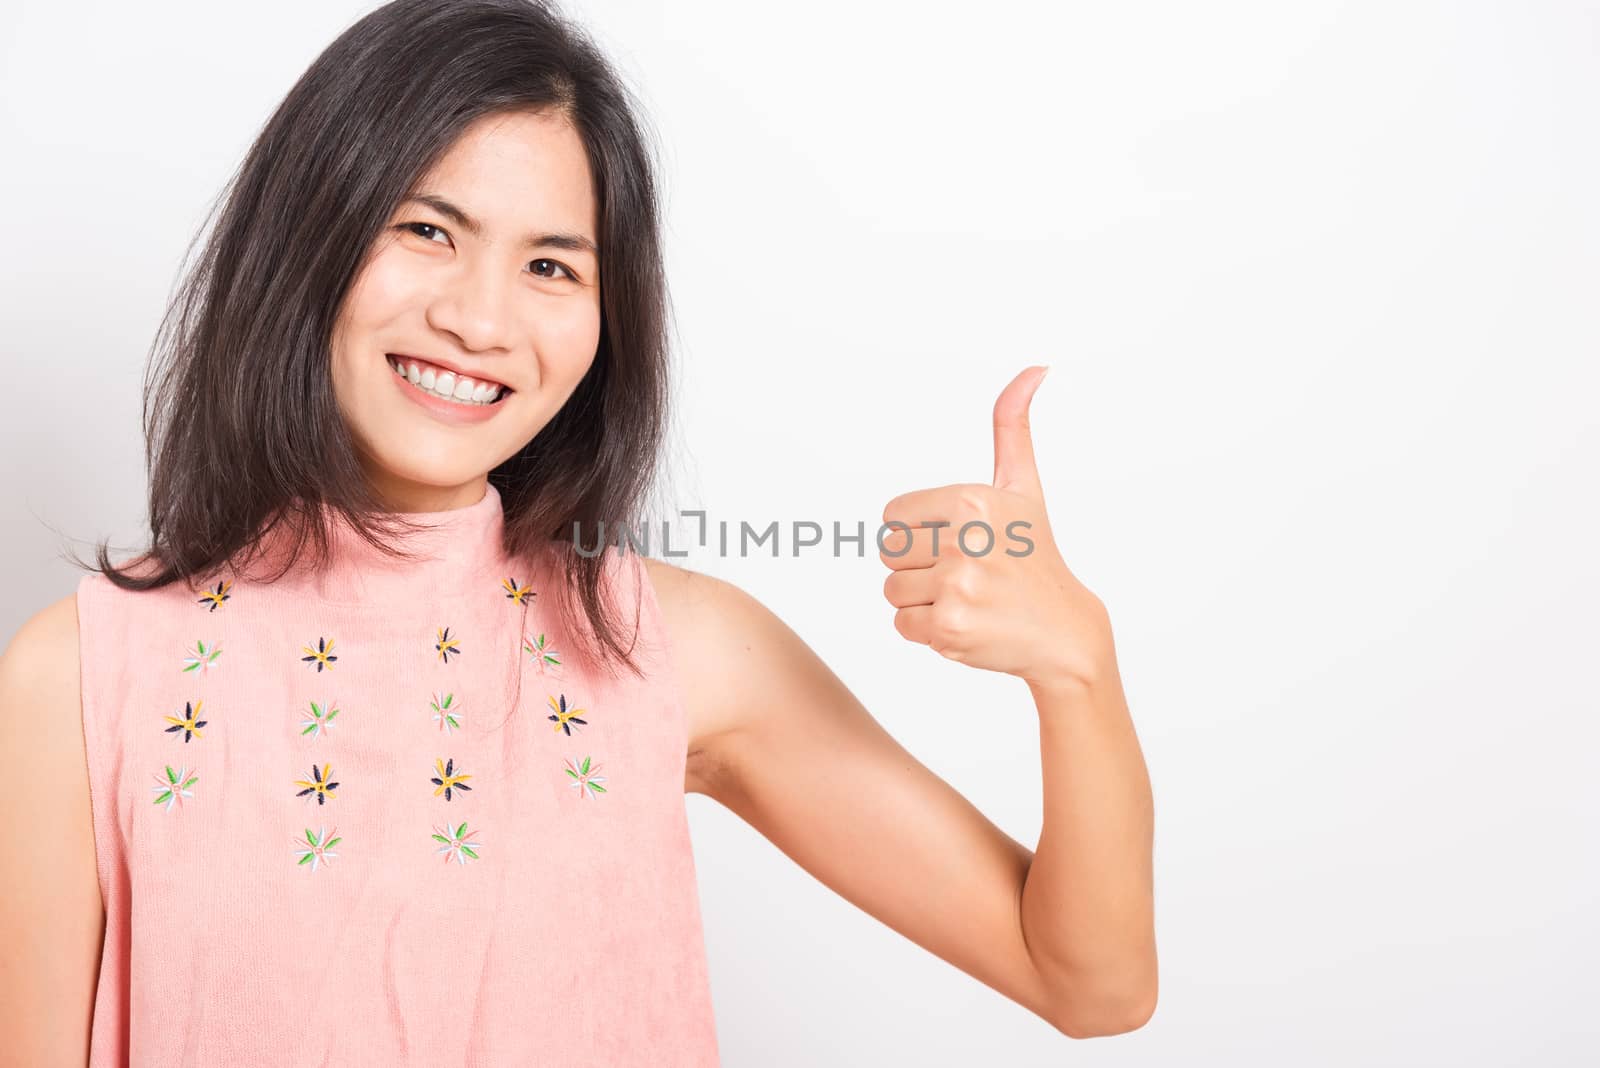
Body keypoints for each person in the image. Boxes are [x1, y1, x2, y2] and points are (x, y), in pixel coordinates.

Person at [0, 0, 1157, 1062]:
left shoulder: (673, 647)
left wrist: (1077, 668)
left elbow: (1089, 982)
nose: (479, 318)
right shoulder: (81, 680)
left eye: (551, 263)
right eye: (427, 230)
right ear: (309, 234)